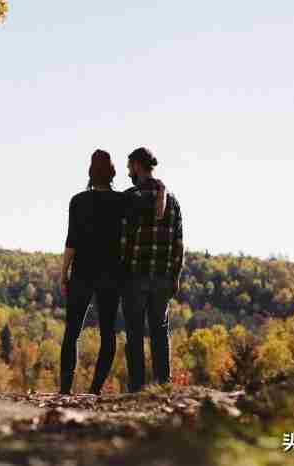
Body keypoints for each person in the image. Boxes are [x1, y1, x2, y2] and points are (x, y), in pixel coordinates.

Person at [59, 150, 167, 395]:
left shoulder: (78, 201)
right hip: (111, 276)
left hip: (82, 274)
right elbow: (152, 202)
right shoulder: (122, 200)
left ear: (90, 172)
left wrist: (63, 273)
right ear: (113, 173)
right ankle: (94, 390)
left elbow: (71, 241)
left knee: (72, 331)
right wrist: (161, 187)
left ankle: (65, 390)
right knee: (108, 334)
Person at [121, 147, 184, 392]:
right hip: (162, 278)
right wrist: (175, 277)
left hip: (135, 276)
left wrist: (122, 271)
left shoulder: (131, 197)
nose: (128, 172)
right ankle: (163, 386)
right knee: (160, 332)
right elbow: (179, 243)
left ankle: (136, 388)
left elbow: (124, 240)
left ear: (137, 165)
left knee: (134, 334)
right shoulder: (173, 202)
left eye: (129, 167)